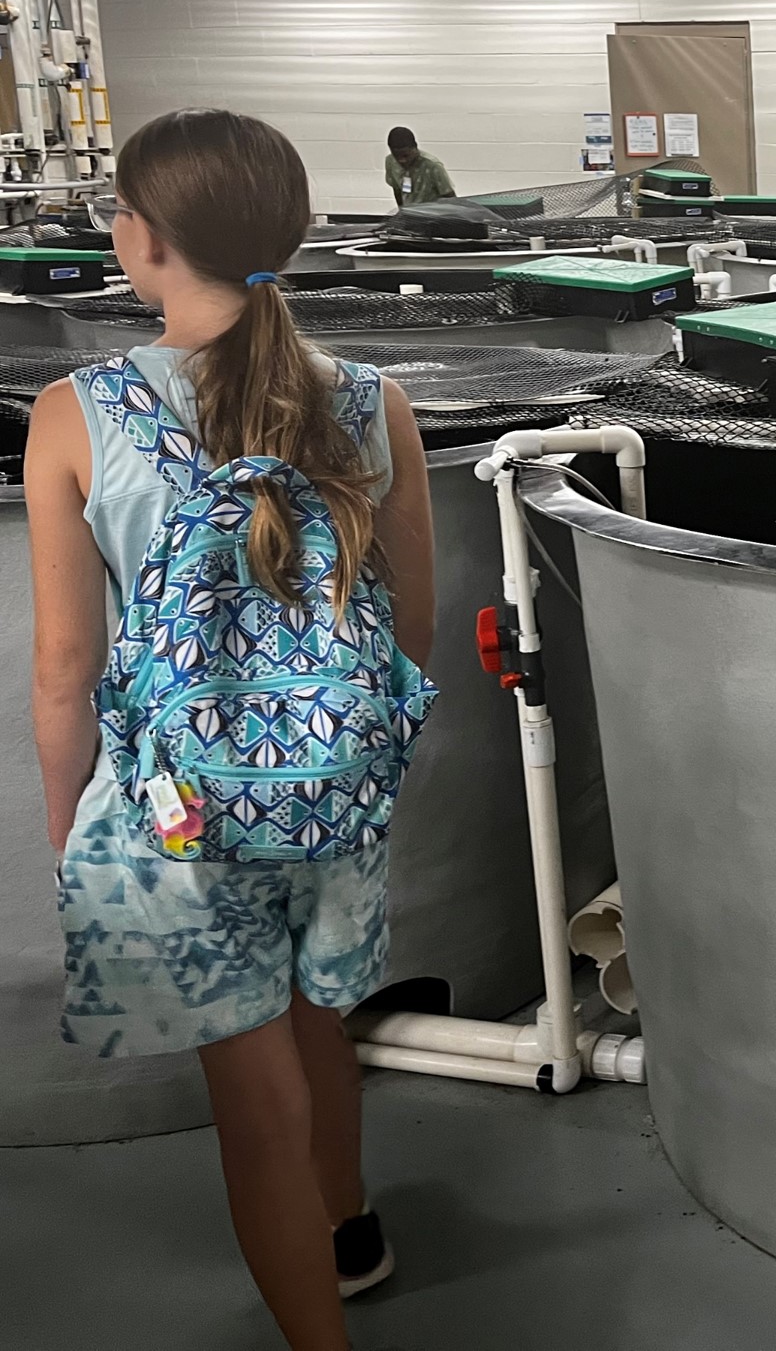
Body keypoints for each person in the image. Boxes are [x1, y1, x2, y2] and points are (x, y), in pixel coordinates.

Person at [28, 109, 436, 1349]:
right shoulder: (375, 404)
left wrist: (72, 833)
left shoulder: (76, 413)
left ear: (143, 243)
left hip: (176, 816)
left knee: (255, 1107)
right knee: (325, 1030)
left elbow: (64, 670)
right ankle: (351, 1226)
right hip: (335, 790)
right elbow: (409, 632)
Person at [385, 125, 454, 208]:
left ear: (415, 147)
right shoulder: (390, 162)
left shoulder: (432, 166)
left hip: (433, 215)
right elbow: (397, 189)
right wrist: (402, 211)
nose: (401, 161)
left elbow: (450, 197)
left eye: (406, 156)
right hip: (410, 213)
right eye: (396, 156)